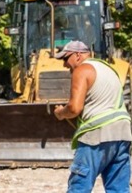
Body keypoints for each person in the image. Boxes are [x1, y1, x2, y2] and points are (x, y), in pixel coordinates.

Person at [53, 40, 132, 192]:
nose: (64, 65)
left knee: (79, 186)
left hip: (97, 135)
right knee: (119, 188)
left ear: (77, 55)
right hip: (122, 134)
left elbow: (74, 108)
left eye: (65, 58)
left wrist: (61, 113)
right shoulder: (109, 69)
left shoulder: (82, 70)